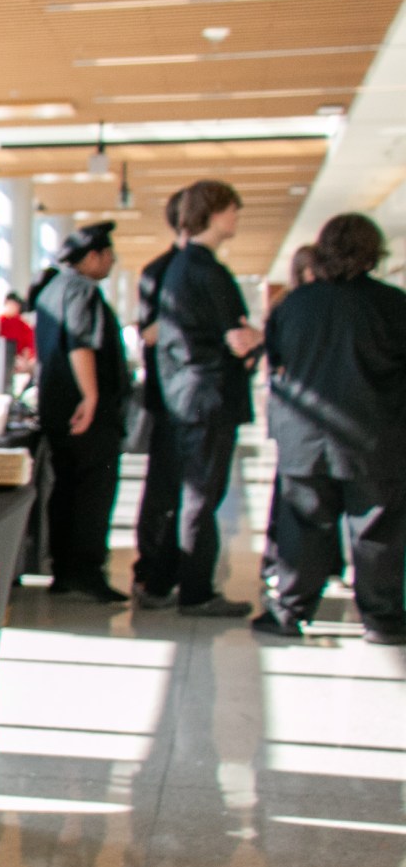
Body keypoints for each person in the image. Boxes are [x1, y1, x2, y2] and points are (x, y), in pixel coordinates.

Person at [254, 214, 406, 644]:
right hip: (374, 436)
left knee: (303, 527)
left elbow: (278, 363)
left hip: (305, 437)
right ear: (373, 253)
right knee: (376, 531)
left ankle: (289, 611)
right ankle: (382, 619)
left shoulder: (294, 304)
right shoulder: (393, 304)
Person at [150, 179, 261, 617]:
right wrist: (258, 338)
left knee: (192, 491)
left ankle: (164, 580)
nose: (236, 217)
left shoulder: (180, 267)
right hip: (210, 393)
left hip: (187, 393)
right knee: (202, 494)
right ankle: (196, 591)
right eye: (233, 210)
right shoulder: (207, 269)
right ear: (214, 213)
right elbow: (237, 338)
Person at [31, 223, 130, 603]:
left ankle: (64, 570)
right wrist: (91, 397)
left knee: (66, 488)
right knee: (93, 490)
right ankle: (86, 572)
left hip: (57, 409)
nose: (112, 264)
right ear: (93, 256)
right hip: (85, 413)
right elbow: (80, 344)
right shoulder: (83, 291)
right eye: (109, 256)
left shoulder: (51, 290)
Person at [131, 189, 190, 608]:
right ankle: (154, 569)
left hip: (176, 394)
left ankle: (159, 569)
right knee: (167, 489)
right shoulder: (167, 271)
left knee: (170, 488)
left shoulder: (169, 269)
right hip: (174, 395)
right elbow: (149, 332)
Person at [0, 291, 36, 373]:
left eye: (16, 305)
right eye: (12, 304)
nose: (14, 307)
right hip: (0, 362)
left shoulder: (24, 325)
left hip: (19, 365)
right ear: (6, 303)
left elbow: (28, 347)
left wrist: (24, 362)